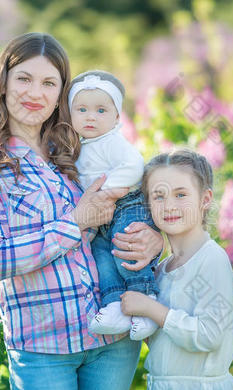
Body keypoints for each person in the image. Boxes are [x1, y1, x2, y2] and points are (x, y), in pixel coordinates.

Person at [0, 32, 163, 390]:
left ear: (62, 93)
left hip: (110, 339)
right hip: (42, 346)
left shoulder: (77, 147)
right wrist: (76, 220)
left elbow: (142, 202)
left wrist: (156, 239)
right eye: (24, 79)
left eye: (49, 83)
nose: (35, 93)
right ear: (2, 82)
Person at [120, 149, 233, 390]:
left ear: (205, 199)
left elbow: (210, 335)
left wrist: (152, 309)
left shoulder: (211, 260)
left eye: (181, 194)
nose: (169, 206)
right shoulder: (162, 270)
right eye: (158, 196)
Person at [69, 70, 160, 341]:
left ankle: (145, 300)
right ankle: (113, 305)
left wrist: (107, 192)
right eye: (82, 109)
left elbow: (134, 166)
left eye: (100, 110)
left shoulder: (113, 142)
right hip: (101, 216)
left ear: (117, 117)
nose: (90, 117)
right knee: (102, 258)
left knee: (125, 248)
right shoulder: (79, 146)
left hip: (127, 205)